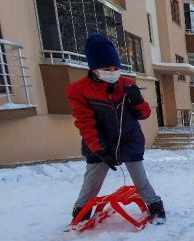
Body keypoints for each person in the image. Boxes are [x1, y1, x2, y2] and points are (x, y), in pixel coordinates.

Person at [67, 34, 165, 225]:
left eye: (115, 68)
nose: (112, 72)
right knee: (92, 182)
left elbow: (144, 114)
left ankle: (155, 206)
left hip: (129, 139)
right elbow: (85, 123)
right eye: (106, 69)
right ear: (94, 69)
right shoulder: (78, 90)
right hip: (99, 142)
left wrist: (137, 100)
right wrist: (99, 150)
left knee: (140, 179)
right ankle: (81, 212)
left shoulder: (127, 84)